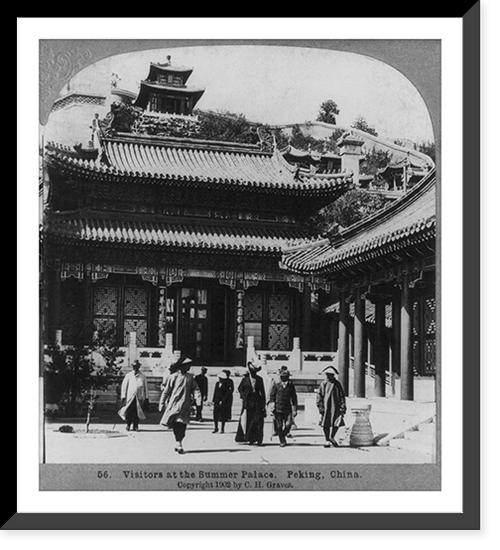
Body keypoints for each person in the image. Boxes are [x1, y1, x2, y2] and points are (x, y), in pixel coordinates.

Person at [158, 355, 201, 454]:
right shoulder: (173, 377)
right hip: (174, 405)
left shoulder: (190, 377)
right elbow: (166, 391)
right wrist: (162, 402)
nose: (188, 367)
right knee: (176, 424)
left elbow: (196, 389)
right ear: (181, 366)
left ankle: (179, 442)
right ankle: (178, 442)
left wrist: (198, 401)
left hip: (185, 406)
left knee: (183, 425)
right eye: (186, 365)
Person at [235, 360, 267, 446]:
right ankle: (250, 438)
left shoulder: (259, 379)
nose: (253, 373)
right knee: (248, 420)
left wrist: (263, 404)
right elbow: (240, 389)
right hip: (247, 402)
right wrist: (243, 396)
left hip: (257, 401)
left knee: (257, 421)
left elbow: (262, 392)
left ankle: (259, 439)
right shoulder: (245, 380)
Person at [316, 365, 347, 448]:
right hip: (326, 407)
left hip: (335, 406)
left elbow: (341, 396)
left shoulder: (337, 384)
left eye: (331, 374)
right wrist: (320, 406)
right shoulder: (324, 384)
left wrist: (343, 406)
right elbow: (319, 395)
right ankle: (327, 439)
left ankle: (332, 436)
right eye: (328, 374)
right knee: (325, 423)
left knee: (336, 423)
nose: (329, 376)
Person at [268, 366, 298, 447]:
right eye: (282, 377)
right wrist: (272, 407)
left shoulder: (291, 386)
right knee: (279, 425)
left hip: (287, 408)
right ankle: (282, 440)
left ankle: (283, 435)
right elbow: (272, 396)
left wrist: (295, 409)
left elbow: (294, 398)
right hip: (278, 408)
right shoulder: (276, 386)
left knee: (288, 424)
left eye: (285, 377)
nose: (283, 378)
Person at [118, 360, 149, 432]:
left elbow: (145, 388)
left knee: (137, 412)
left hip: (139, 397)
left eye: (137, 366)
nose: (135, 368)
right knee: (129, 412)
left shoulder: (143, 376)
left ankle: (136, 426)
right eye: (134, 366)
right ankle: (128, 425)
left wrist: (146, 397)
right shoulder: (128, 375)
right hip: (130, 397)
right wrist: (123, 396)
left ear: (139, 367)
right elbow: (124, 386)